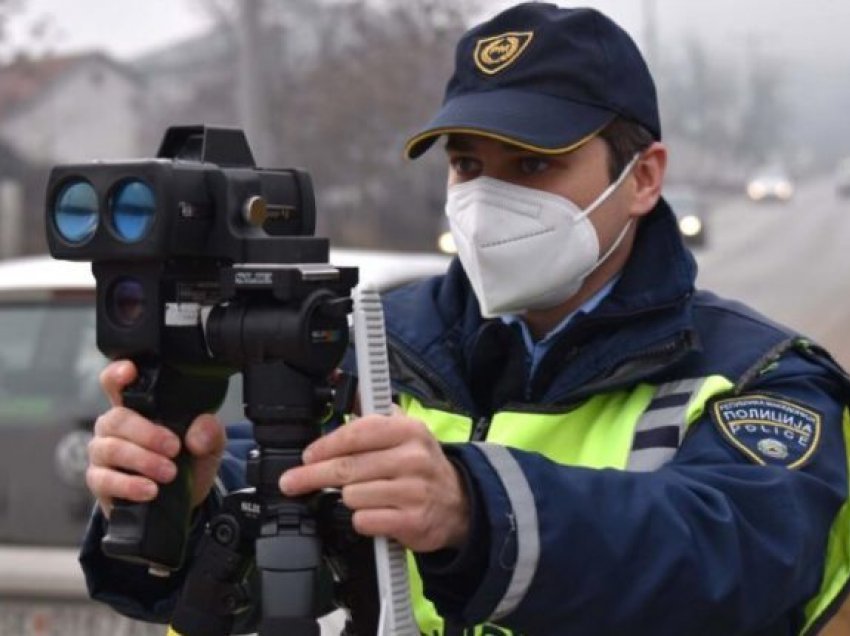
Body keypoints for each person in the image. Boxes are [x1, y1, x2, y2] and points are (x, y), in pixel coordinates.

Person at [80, 3, 850, 634]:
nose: (487, 200)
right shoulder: (376, 344)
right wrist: (180, 504)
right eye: (467, 165)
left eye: (534, 164)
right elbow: (266, 581)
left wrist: (475, 510)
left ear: (642, 176)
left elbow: (738, 562)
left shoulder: (758, 376)